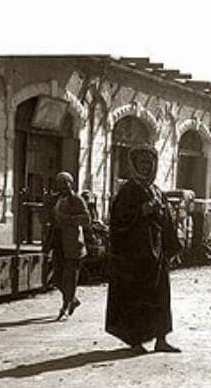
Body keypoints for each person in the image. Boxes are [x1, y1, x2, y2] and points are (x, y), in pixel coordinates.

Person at [105, 146, 182, 353]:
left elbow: (166, 222)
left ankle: (161, 339)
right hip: (134, 256)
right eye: (142, 163)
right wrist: (142, 211)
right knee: (137, 299)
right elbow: (118, 221)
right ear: (134, 165)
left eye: (149, 163)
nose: (146, 167)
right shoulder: (128, 191)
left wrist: (172, 248)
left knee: (160, 297)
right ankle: (136, 341)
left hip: (156, 255)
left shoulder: (156, 190)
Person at [49, 172, 91, 320]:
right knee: (57, 278)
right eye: (60, 183)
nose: (63, 186)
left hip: (73, 244)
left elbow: (86, 219)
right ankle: (72, 300)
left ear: (71, 184)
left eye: (65, 183)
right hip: (59, 242)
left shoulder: (77, 199)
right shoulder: (58, 199)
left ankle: (66, 306)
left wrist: (67, 219)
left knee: (69, 278)